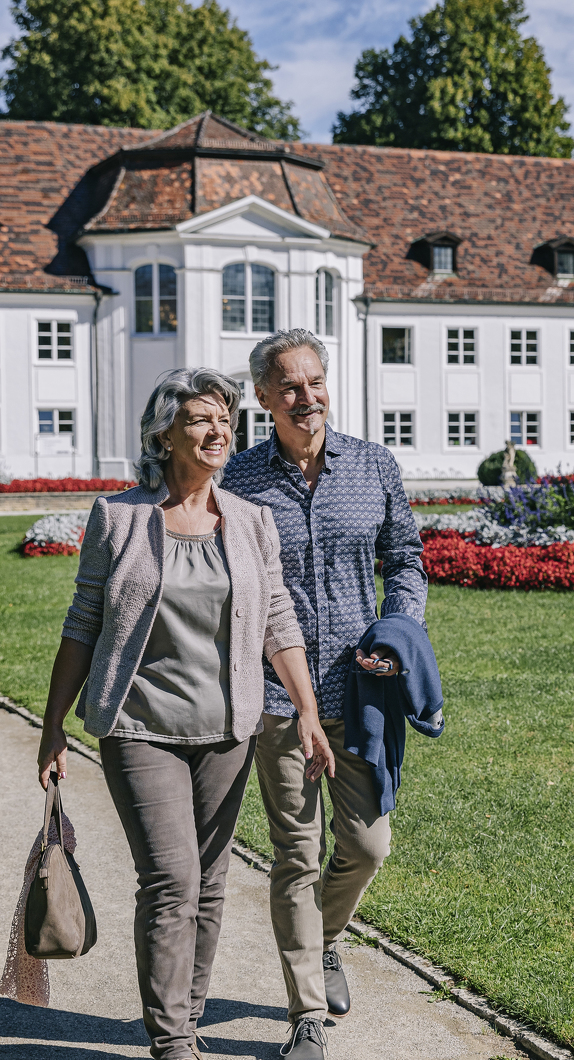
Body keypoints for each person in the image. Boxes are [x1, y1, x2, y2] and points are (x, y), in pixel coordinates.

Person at [37, 367, 334, 1060]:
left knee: (210, 885)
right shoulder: (120, 518)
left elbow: (278, 619)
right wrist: (53, 725)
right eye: (201, 419)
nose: (217, 432)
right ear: (164, 433)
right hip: (142, 726)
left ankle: (185, 1014)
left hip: (228, 728)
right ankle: (171, 1041)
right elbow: (83, 622)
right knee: (171, 880)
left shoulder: (252, 521)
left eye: (225, 420)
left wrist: (308, 711)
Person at [223, 329, 428, 1059]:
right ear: (263, 397)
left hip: (362, 691)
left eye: (315, 382)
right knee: (295, 854)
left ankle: (327, 936)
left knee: (369, 844)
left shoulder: (372, 464)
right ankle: (306, 1015)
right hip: (278, 699)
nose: (306, 397)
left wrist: (399, 630)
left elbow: (404, 558)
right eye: (289, 386)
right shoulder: (239, 479)